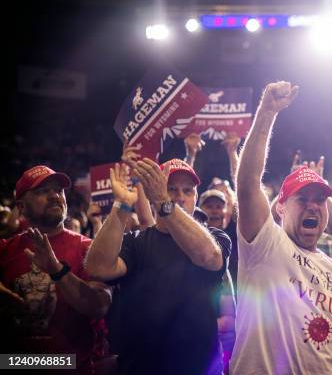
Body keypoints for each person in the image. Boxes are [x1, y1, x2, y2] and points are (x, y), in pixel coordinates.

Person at [232, 81, 332, 374]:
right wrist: (267, 112)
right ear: (280, 206)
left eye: (320, 200)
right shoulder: (265, 244)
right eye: (302, 199)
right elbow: (248, 183)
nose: (313, 206)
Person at [85, 158, 231, 375]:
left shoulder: (215, 237)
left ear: (196, 198)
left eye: (187, 191)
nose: (179, 196)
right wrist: (123, 206)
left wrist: (164, 201)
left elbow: (208, 256)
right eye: (170, 189)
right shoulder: (135, 241)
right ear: (154, 193)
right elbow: (98, 268)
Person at [0, 165, 111, 373]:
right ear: (21, 207)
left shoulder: (88, 248)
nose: (54, 196)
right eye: (42, 191)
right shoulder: (5, 250)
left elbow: (99, 307)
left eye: (58, 190)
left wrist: (57, 271)